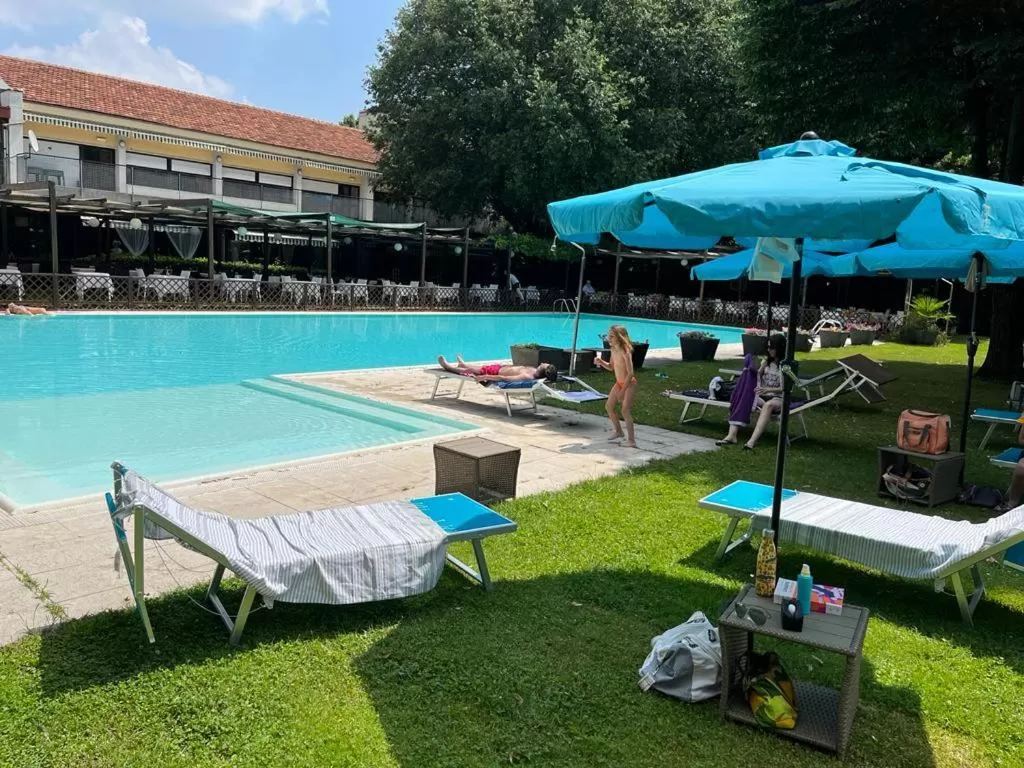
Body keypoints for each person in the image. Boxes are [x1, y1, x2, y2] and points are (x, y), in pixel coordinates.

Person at [716, 334, 787, 450]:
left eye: (772, 347)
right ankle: (732, 435)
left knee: (768, 405)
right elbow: (757, 376)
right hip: (763, 394)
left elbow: (785, 388)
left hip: (778, 397)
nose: (769, 350)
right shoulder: (767, 362)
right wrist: (751, 372)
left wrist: (767, 389)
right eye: (768, 347)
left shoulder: (786, 365)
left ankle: (751, 442)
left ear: (780, 348)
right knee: (744, 396)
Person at [594, 324, 637, 447]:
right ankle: (619, 431)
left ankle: (632, 441)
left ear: (620, 337)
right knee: (609, 406)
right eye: (609, 336)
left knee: (625, 411)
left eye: (612, 336)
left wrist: (623, 391)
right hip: (619, 383)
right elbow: (611, 367)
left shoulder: (625, 351)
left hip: (629, 384)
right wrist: (601, 362)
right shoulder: (613, 350)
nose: (609, 338)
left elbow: (630, 373)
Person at [438, 355, 558, 383]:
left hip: (495, 373)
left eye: (543, 364)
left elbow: (504, 378)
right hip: (500, 368)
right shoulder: (534, 371)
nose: (542, 362)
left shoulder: (527, 376)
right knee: (480, 367)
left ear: (542, 370)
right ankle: (463, 364)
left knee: (471, 372)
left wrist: (486, 377)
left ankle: (448, 367)